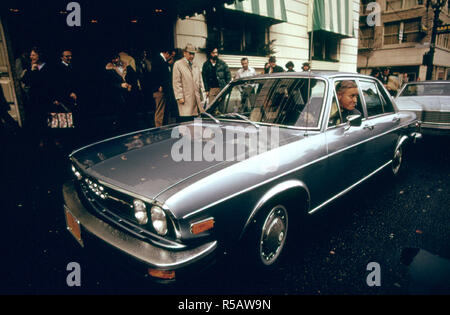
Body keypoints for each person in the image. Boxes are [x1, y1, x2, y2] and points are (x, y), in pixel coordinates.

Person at [21, 47, 54, 147]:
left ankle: (50, 139)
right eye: (31, 55)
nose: (31, 57)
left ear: (39, 55)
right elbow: (25, 81)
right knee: (36, 119)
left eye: (34, 55)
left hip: (45, 97)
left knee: (47, 119)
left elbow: (48, 83)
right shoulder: (30, 67)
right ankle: (39, 139)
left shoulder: (47, 67)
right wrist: (31, 70)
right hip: (34, 98)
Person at [172, 44, 205, 122]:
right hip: (186, 98)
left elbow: (200, 81)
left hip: (196, 99)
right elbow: (176, 82)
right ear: (184, 53)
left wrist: (202, 95)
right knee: (186, 122)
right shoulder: (178, 64)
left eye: (193, 54)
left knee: (197, 123)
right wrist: (179, 97)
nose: (192, 56)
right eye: (190, 53)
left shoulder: (195, 65)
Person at [152, 48, 173, 127]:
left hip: (162, 90)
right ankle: (158, 129)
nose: (169, 58)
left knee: (162, 111)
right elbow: (155, 75)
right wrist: (158, 86)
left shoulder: (161, 60)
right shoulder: (158, 60)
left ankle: (162, 127)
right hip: (159, 91)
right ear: (167, 53)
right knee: (160, 111)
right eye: (170, 56)